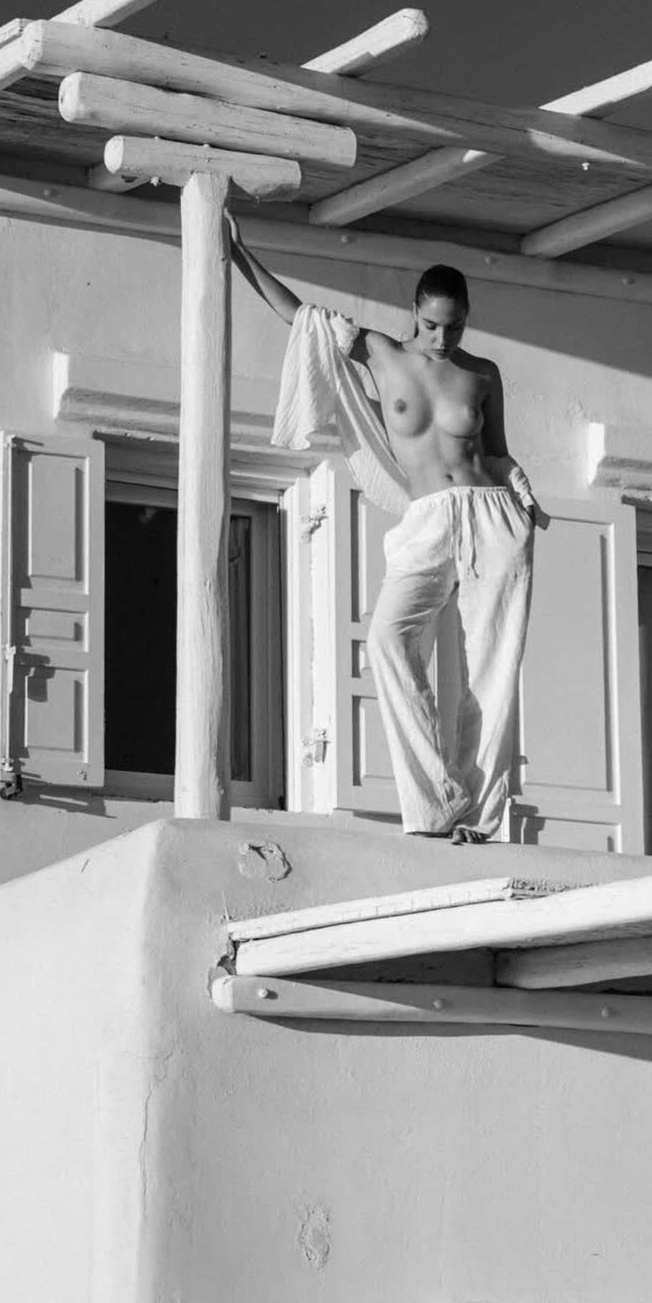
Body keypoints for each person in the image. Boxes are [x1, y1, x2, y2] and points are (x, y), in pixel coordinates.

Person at [227, 217, 538, 843]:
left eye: (455, 326)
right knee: (387, 641)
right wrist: (237, 252)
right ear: (414, 313)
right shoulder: (381, 352)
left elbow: (497, 452)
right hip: (428, 521)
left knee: (492, 669)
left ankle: (481, 821)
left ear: (468, 318)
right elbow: (300, 316)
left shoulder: (482, 373)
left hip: (492, 516)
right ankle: (439, 802)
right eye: (433, 324)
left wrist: (523, 487)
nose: (443, 337)